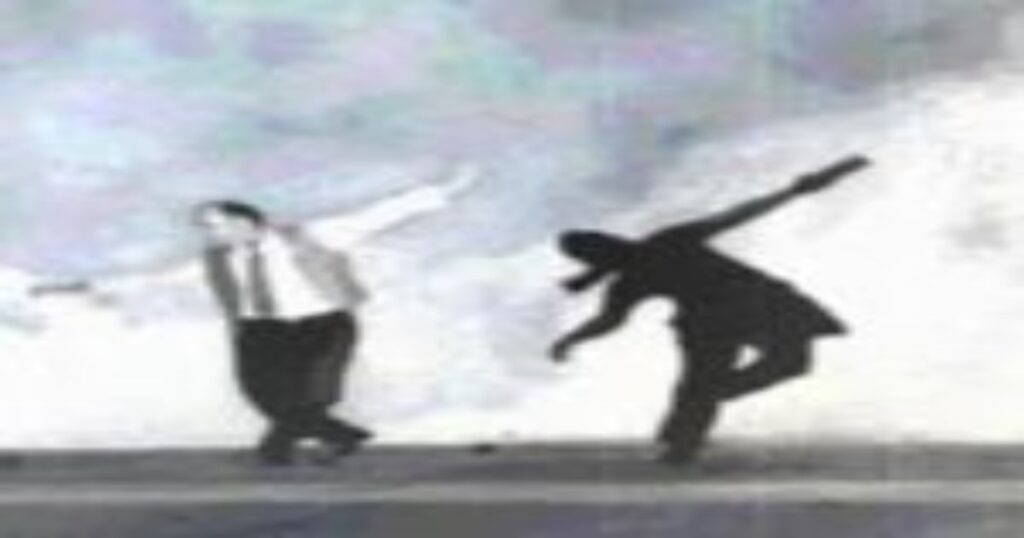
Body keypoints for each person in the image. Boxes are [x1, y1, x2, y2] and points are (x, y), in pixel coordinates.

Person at [34, 162, 479, 465]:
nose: (210, 232)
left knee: (314, 393)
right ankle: (338, 436)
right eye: (206, 227)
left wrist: (441, 192)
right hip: (259, 330)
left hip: (322, 323)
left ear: (246, 221)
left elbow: (377, 216)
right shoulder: (215, 259)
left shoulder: (308, 236)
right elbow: (159, 279)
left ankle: (286, 446)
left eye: (215, 224)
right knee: (262, 394)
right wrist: (86, 288)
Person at [550, 155, 868, 465]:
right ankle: (686, 434)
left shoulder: (637, 272)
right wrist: (792, 192)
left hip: (739, 310)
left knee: (764, 369)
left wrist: (793, 192)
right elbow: (734, 216)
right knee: (771, 366)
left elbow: (609, 320)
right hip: (740, 309)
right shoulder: (655, 254)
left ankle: (689, 424)